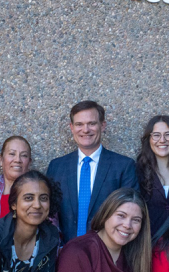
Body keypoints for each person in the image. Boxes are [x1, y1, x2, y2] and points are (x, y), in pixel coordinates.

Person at [46, 100, 138, 242]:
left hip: (107, 253)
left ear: (103, 125)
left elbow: (130, 213)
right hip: (65, 253)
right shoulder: (57, 167)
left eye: (92, 123)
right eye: (79, 124)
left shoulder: (124, 166)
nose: (85, 129)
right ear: (71, 127)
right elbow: (49, 214)